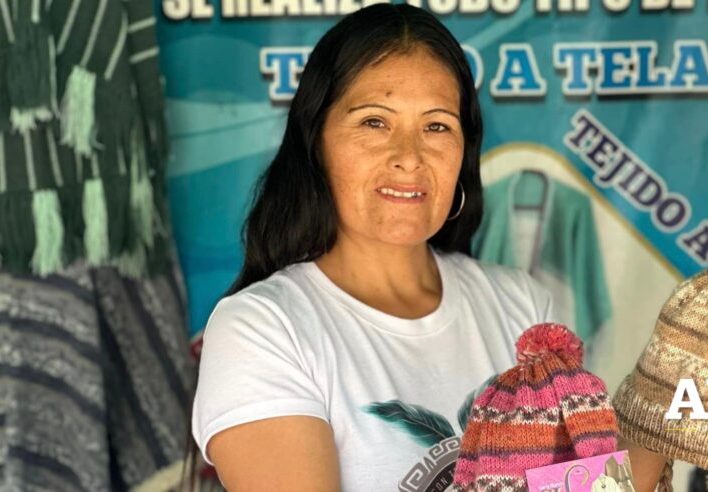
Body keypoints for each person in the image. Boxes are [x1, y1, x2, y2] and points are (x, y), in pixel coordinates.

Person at [190, 4, 565, 490]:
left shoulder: (523, 307)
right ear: (316, 143)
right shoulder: (263, 329)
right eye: (374, 122)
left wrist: (654, 403)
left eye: (436, 126)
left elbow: (586, 481)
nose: (409, 157)